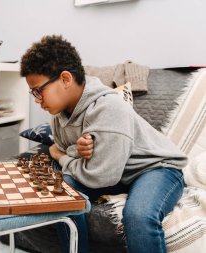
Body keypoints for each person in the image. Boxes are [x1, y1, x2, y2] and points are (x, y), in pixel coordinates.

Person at [20, 35, 187, 253]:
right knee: (62, 194)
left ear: (66, 79)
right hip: (118, 171)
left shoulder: (109, 108)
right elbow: (68, 149)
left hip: (156, 168)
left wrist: (62, 156)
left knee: (138, 215)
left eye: (39, 90)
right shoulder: (58, 115)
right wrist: (76, 151)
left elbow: (100, 175)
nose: (37, 99)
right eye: (33, 92)